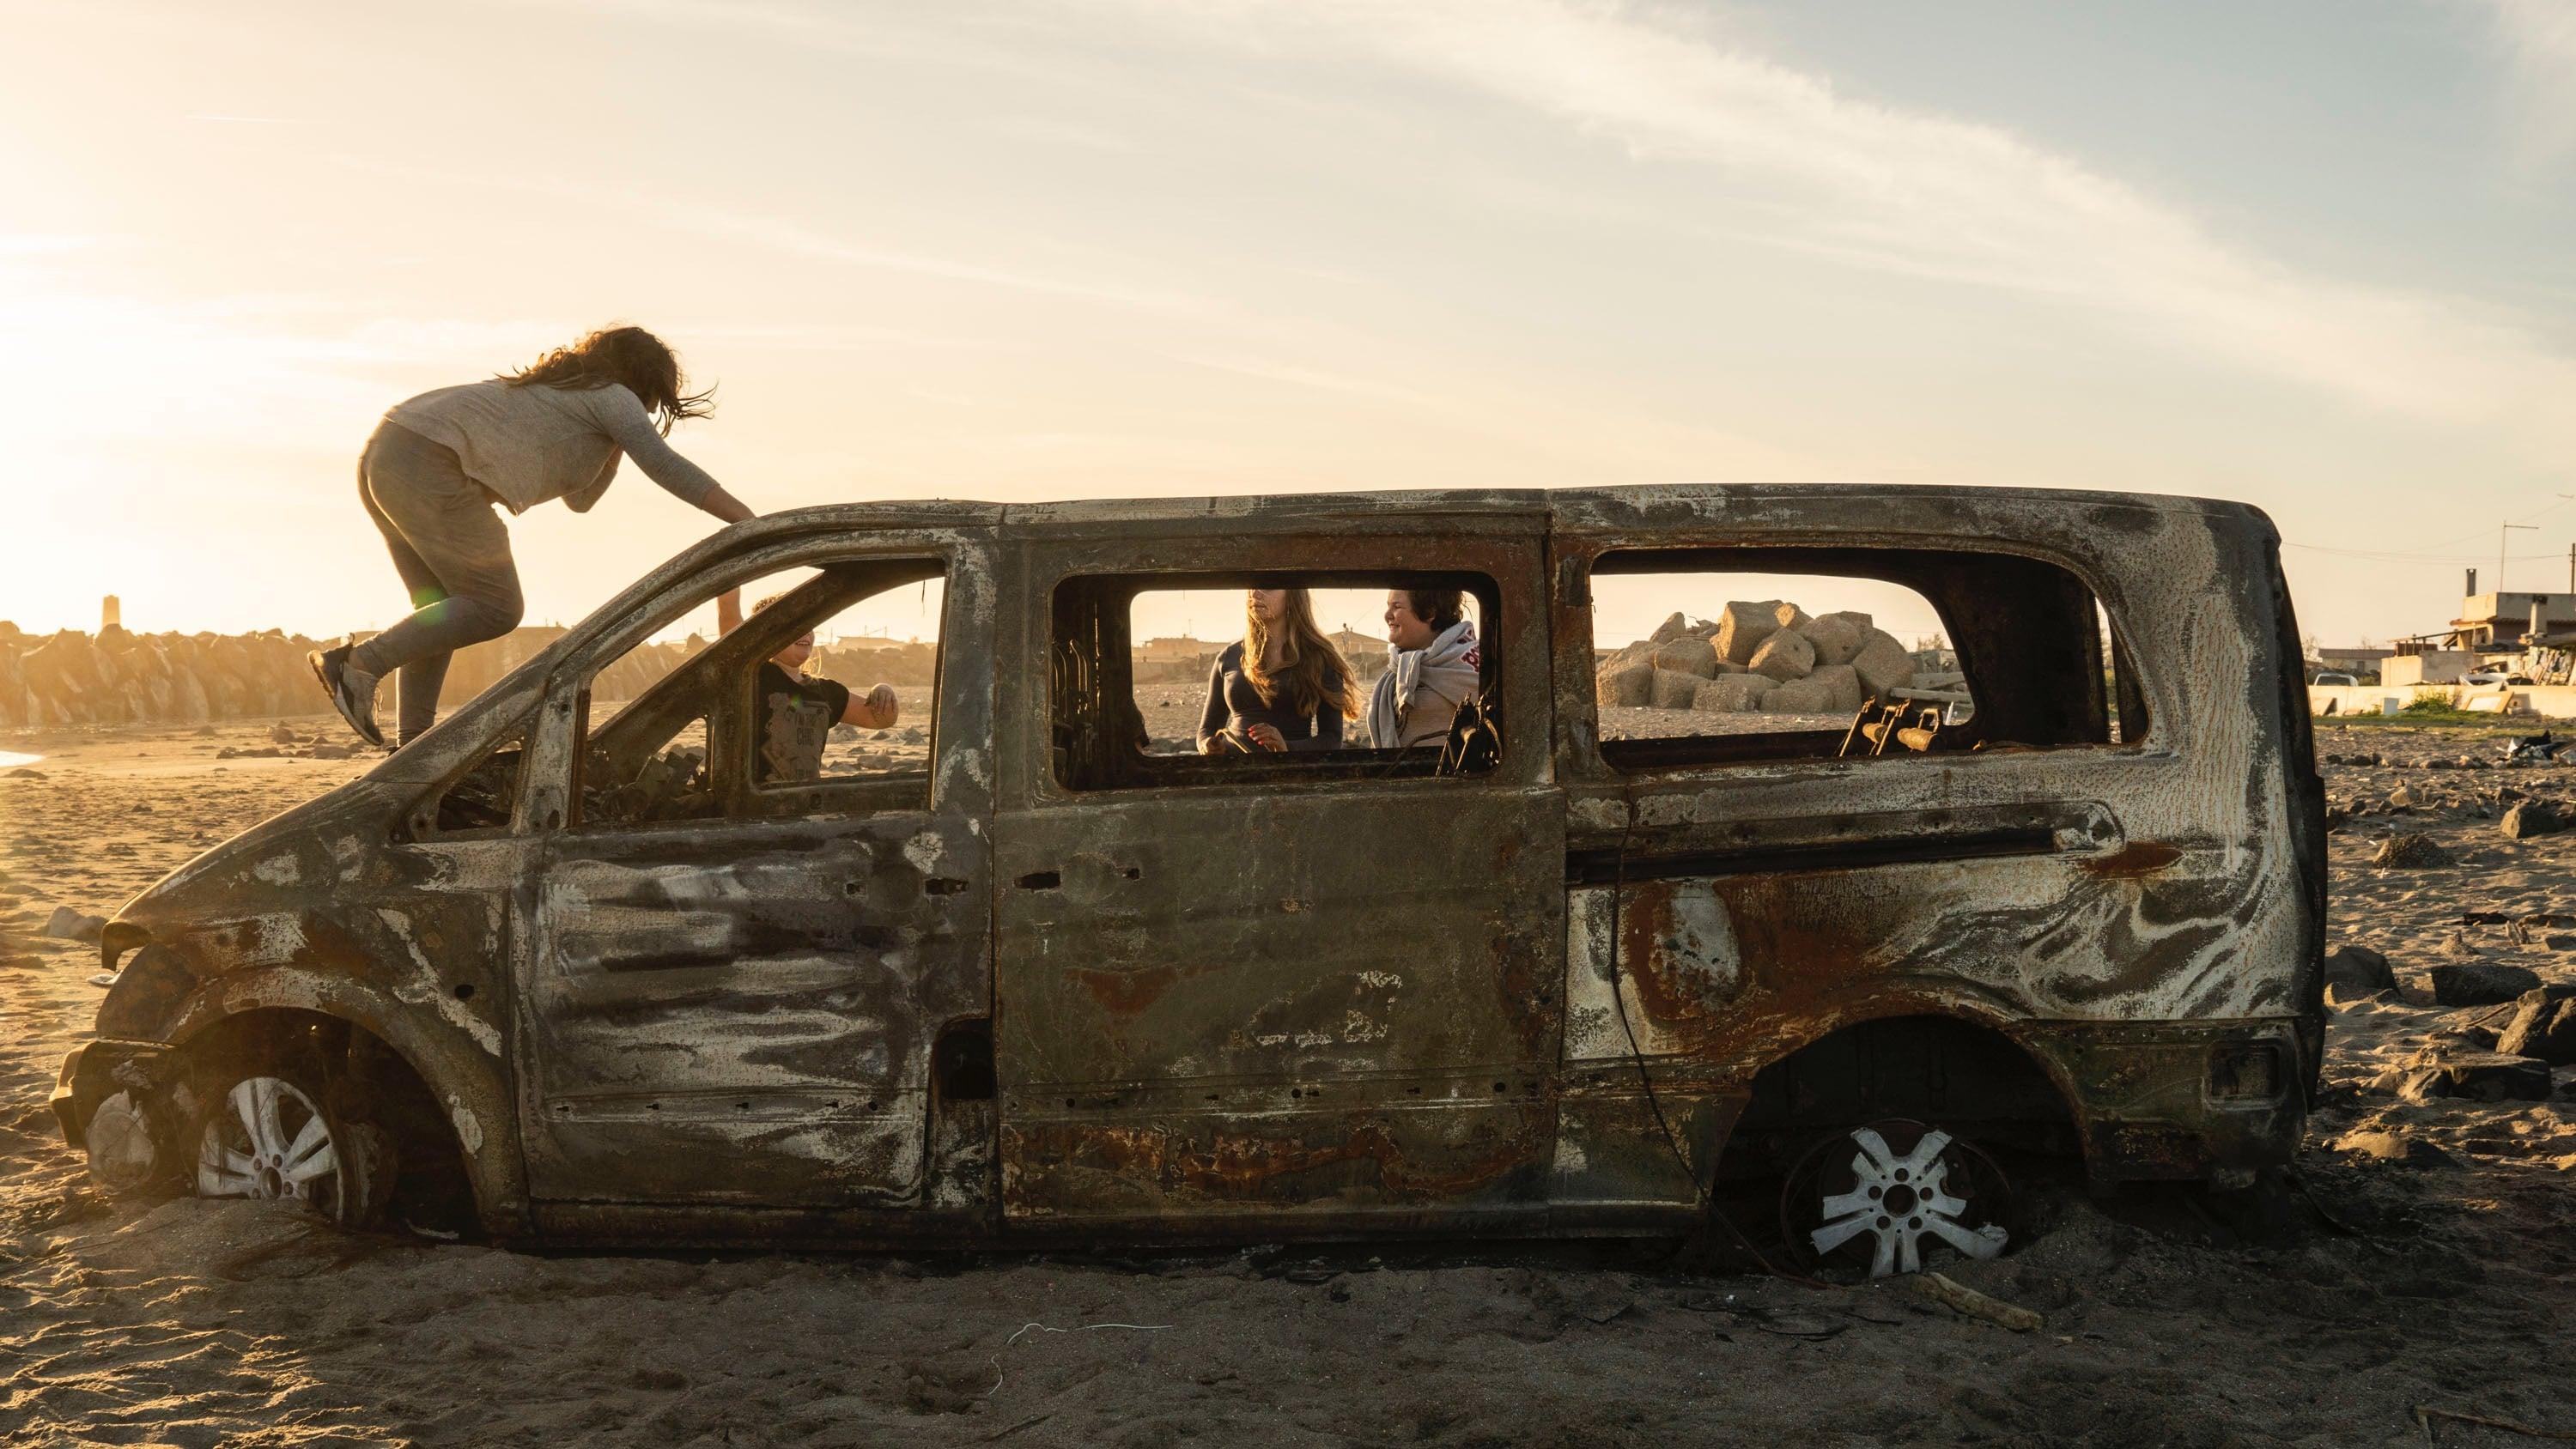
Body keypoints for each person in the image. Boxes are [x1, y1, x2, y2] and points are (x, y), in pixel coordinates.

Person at [309, 326, 759, 750]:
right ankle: (360, 664)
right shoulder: (611, 395)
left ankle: (412, 747)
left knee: (440, 612)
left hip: (387, 453)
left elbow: (580, 501)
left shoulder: (566, 398)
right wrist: (743, 518)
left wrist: (620, 444)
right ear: (646, 378)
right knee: (497, 607)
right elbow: (665, 466)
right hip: (432, 460)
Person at [717, 589, 902, 783]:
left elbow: (880, 720)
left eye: (808, 624)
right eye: (792, 625)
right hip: (759, 805)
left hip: (806, 802)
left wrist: (883, 689)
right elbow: (728, 609)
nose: (804, 631)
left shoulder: (827, 692)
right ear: (765, 634)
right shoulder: (752, 676)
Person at [1195, 586, 1359, 755]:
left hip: (1289, 773)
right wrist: (1207, 745)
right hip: (1231, 774)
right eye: (1251, 586)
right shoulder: (1228, 657)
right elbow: (1207, 729)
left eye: (1268, 586)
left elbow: (1332, 738)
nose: (1255, 593)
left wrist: (1287, 749)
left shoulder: (1319, 658)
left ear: (1293, 595)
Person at [1367, 586, 1480, 749]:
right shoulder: (1398, 668)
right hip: (1391, 771)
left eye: (1397, 606)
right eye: (1388, 606)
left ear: (1428, 613)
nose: (1387, 615)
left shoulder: (1471, 663)